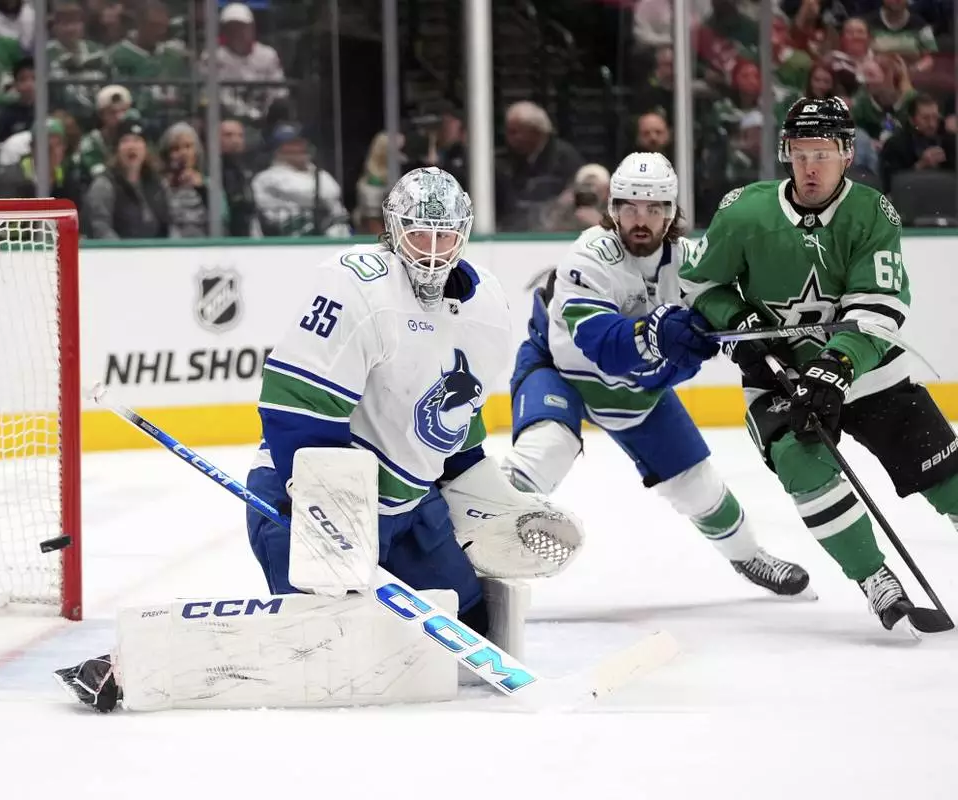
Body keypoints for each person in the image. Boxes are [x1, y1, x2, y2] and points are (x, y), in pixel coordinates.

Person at [54, 167, 581, 711]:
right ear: (391, 230)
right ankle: (128, 662)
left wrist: (489, 499)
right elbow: (293, 414)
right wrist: (337, 522)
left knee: (468, 628)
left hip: (408, 513)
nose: (429, 250)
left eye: (442, 235)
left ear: (462, 236)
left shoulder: (486, 306)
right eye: (417, 234)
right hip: (301, 503)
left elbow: (457, 427)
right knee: (323, 645)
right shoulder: (358, 285)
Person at [679, 96, 958, 633]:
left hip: (866, 370)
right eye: (801, 152)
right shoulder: (745, 213)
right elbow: (702, 285)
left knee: (945, 474)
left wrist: (835, 366)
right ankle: (874, 577)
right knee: (801, 464)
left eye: (823, 153)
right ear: (786, 152)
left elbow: (878, 308)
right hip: (778, 373)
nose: (810, 166)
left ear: (848, 154)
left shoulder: (871, 214)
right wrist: (744, 338)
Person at [500, 152, 811, 597]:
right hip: (560, 371)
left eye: (654, 208)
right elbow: (601, 344)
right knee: (546, 448)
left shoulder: (692, 264)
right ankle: (473, 540)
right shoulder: (591, 252)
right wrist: (660, 331)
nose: (640, 220)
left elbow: (705, 340)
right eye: (629, 207)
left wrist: (742, 339)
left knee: (698, 485)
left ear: (671, 213)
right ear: (613, 210)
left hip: (636, 393)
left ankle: (748, 554)